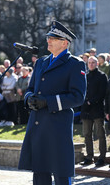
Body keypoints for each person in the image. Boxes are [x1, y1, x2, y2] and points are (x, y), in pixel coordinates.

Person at [18, 21, 86, 185]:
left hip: (57, 126)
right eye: (48, 37)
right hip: (38, 123)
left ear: (64, 42)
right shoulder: (41, 62)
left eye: (53, 38)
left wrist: (48, 102)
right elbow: (31, 88)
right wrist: (30, 99)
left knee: (61, 173)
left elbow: (78, 97)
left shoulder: (75, 64)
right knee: (40, 173)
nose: (48, 40)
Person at [80, 56, 107, 167]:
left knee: (100, 134)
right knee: (87, 134)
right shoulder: (84, 76)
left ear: (97, 64)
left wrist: (91, 101)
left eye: (93, 62)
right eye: (89, 62)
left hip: (97, 108)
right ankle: (89, 156)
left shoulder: (102, 76)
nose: (91, 64)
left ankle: (101, 157)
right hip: (86, 109)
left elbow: (103, 93)